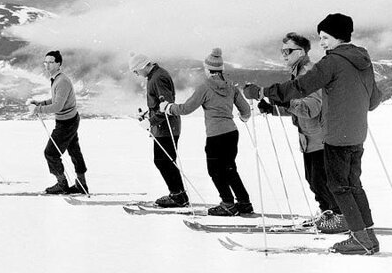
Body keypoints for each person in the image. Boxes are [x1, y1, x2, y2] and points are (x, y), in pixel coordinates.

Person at [244, 13, 382, 254]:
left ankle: (359, 239)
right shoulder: (363, 60)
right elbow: (373, 101)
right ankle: (368, 236)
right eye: (320, 38)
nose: (322, 43)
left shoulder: (332, 62)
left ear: (338, 36)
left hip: (336, 134)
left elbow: (300, 87)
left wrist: (263, 92)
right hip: (357, 133)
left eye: (325, 37)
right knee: (353, 185)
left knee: (339, 187)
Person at [257, 33, 343, 232]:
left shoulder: (307, 73)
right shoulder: (298, 73)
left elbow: (311, 108)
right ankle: (329, 214)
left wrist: (284, 101)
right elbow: (299, 108)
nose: (284, 55)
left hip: (320, 138)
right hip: (311, 138)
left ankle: (338, 218)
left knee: (321, 182)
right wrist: (273, 109)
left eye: (288, 51)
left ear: (301, 52)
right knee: (315, 180)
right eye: (282, 51)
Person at [160, 48, 253, 216]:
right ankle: (244, 202)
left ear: (208, 69)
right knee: (230, 168)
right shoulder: (231, 87)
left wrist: (168, 108)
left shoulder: (205, 87)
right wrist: (244, 117)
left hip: (215, 136)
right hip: (232, 133)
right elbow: (245, 110)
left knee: (215, 171)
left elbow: (187, 108)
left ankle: (228, 203)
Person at [128, 52, 188, 207]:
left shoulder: (157, 77)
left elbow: (166, 105)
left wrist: (151, 121)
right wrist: (148, 115)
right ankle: (179, 194)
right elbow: (158, 105)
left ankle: (178, 196)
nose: (136, 74)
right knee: (165, 161)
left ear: (142, 66)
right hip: (165, 126)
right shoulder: (155, 76)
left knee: (163, 161)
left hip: (167, 126)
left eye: (136, 70)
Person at [28, 50, 88, 194]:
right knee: (74, 151)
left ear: (58, 64)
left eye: (51, 62)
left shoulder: (61, 81)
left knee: (51, 153)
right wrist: (40, 103)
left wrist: (38, 110)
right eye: (45, 62)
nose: (47, 65)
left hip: (66, 122)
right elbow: (56, 100)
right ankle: (81, 184)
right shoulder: (57, 79)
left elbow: (57, 106)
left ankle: (62, 184)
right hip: (69, 120)